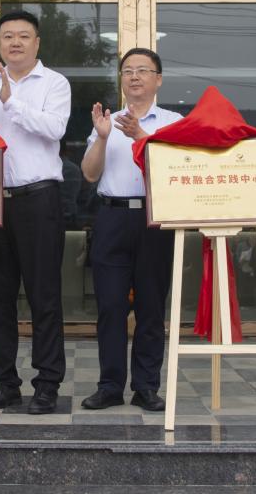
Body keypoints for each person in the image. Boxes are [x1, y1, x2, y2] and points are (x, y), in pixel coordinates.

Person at [0, 10, 71, 415]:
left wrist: (10, 103)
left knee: (44, 295)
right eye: (8, 36)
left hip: (38, 199)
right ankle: (5, 383)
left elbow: (54, 129)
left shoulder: (54, 83)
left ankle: (47, 383)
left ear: (37, 43)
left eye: (23, 36)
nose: (15, 42)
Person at [79, 48, 182, 412]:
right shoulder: (108, 121)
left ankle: (146, 387)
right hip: (112, 217)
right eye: (127, 71)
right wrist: (103, 138)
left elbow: (174, 173)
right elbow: (89, 174)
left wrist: (141, 136)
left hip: (154, 219)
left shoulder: (173, 122)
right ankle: (109, 386)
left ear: (158, 79)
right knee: (110, 306)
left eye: (143, 70)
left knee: (151, 306)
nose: (134, 76)